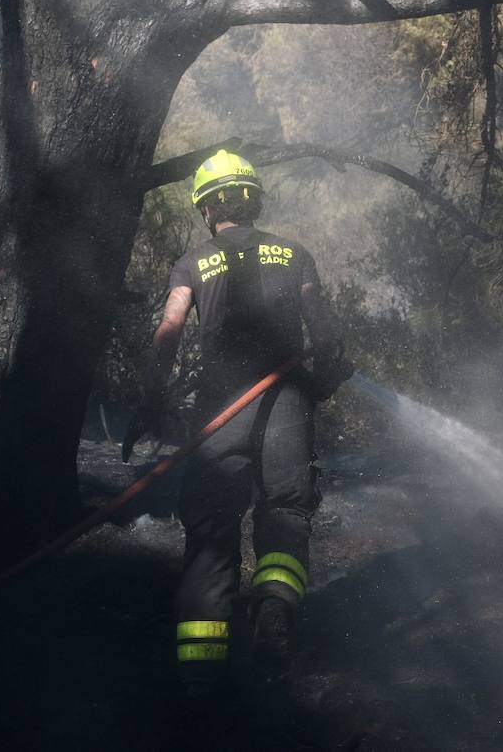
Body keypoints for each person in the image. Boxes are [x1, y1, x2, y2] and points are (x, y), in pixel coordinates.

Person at [124, 149, 352, 694]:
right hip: (287, 405)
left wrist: (150, 400)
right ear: (253, 202)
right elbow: (325, 334)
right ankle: (274, 614)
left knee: (211, 529)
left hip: (218, 414)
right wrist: (325, 376)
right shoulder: (295, 254)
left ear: (207, 209)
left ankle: (200, 671)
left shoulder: (193, 262)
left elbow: (169, 330)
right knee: (286, 515)